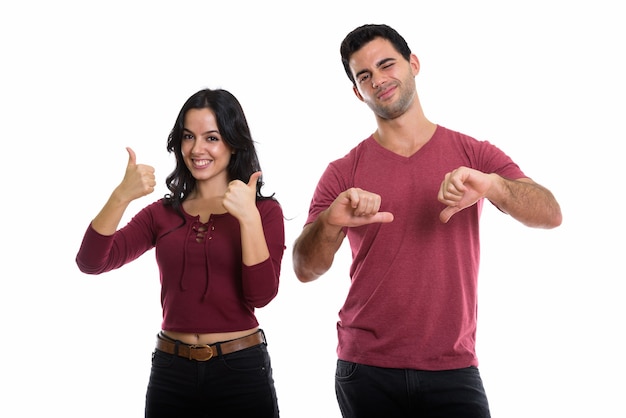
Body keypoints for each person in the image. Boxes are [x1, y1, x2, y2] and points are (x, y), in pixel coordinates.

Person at [292, 24, 562, 418]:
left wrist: (493, 187)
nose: (378, 80)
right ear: (356, 92)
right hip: (366, 368)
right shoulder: (342, 172)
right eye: (364, 75)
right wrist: (332, 222)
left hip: (453, 367)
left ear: (413, 64)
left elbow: (551, 213)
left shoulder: (473, 153)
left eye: (387, 65)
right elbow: (304, 268)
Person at [76, 88, 285, 418]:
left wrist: (247, 217)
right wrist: (121, 196)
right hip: (171, 372)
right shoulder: (163, 213)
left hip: (241, 370)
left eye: (211, 137)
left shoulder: (264, 211)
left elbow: (261, 295)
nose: (197, 149)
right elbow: (91, 262)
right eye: (189, 136)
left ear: (233, 142)